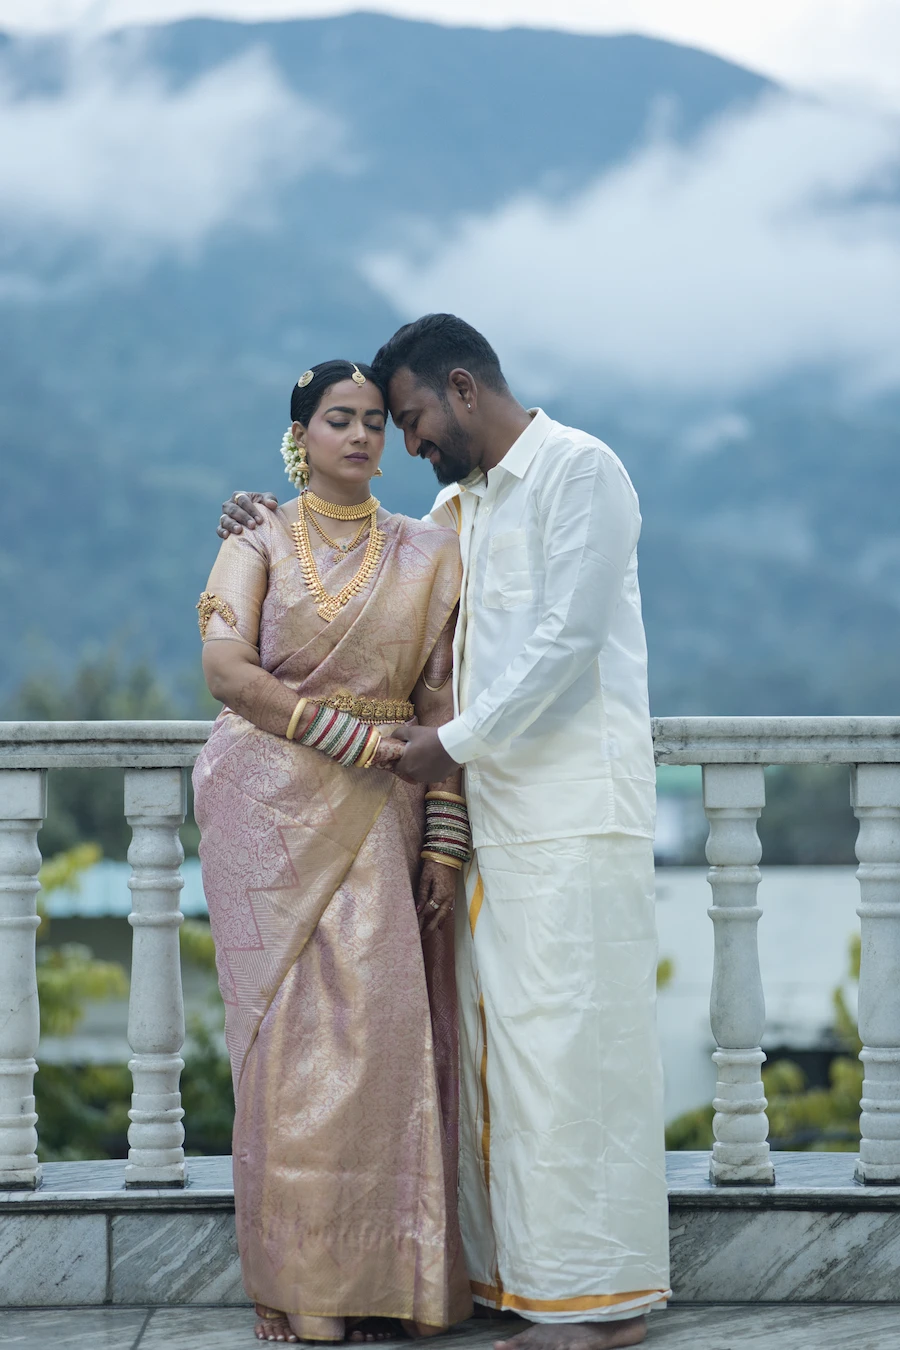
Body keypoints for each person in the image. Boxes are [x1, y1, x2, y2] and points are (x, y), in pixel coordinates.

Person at [218, 316, 671, 1350]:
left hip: (571, 807)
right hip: (491, 815)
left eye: (411, 420)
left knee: (577, 1047)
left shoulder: (579, 472)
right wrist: (257, 514)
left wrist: (447, 746)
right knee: (504, 1057)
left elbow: (568, 641)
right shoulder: (459, 506)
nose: (405, 445)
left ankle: (604, 1307)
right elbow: (384, 588)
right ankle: (529, 1285)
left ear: (462, 388)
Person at [194, 359, 473, 1345]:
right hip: (269, 811)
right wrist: (354, 742)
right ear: (300, 435)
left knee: (385, 1040)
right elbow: (226, 668)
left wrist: (443, 840)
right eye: (336, 420)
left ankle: (392, 1276)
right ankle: (302, 1284)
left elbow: (442, 701)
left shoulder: (429, 551)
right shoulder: (257, 535)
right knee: (286, 1048)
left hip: (390, 806)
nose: (357, 436)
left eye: (370, 422)